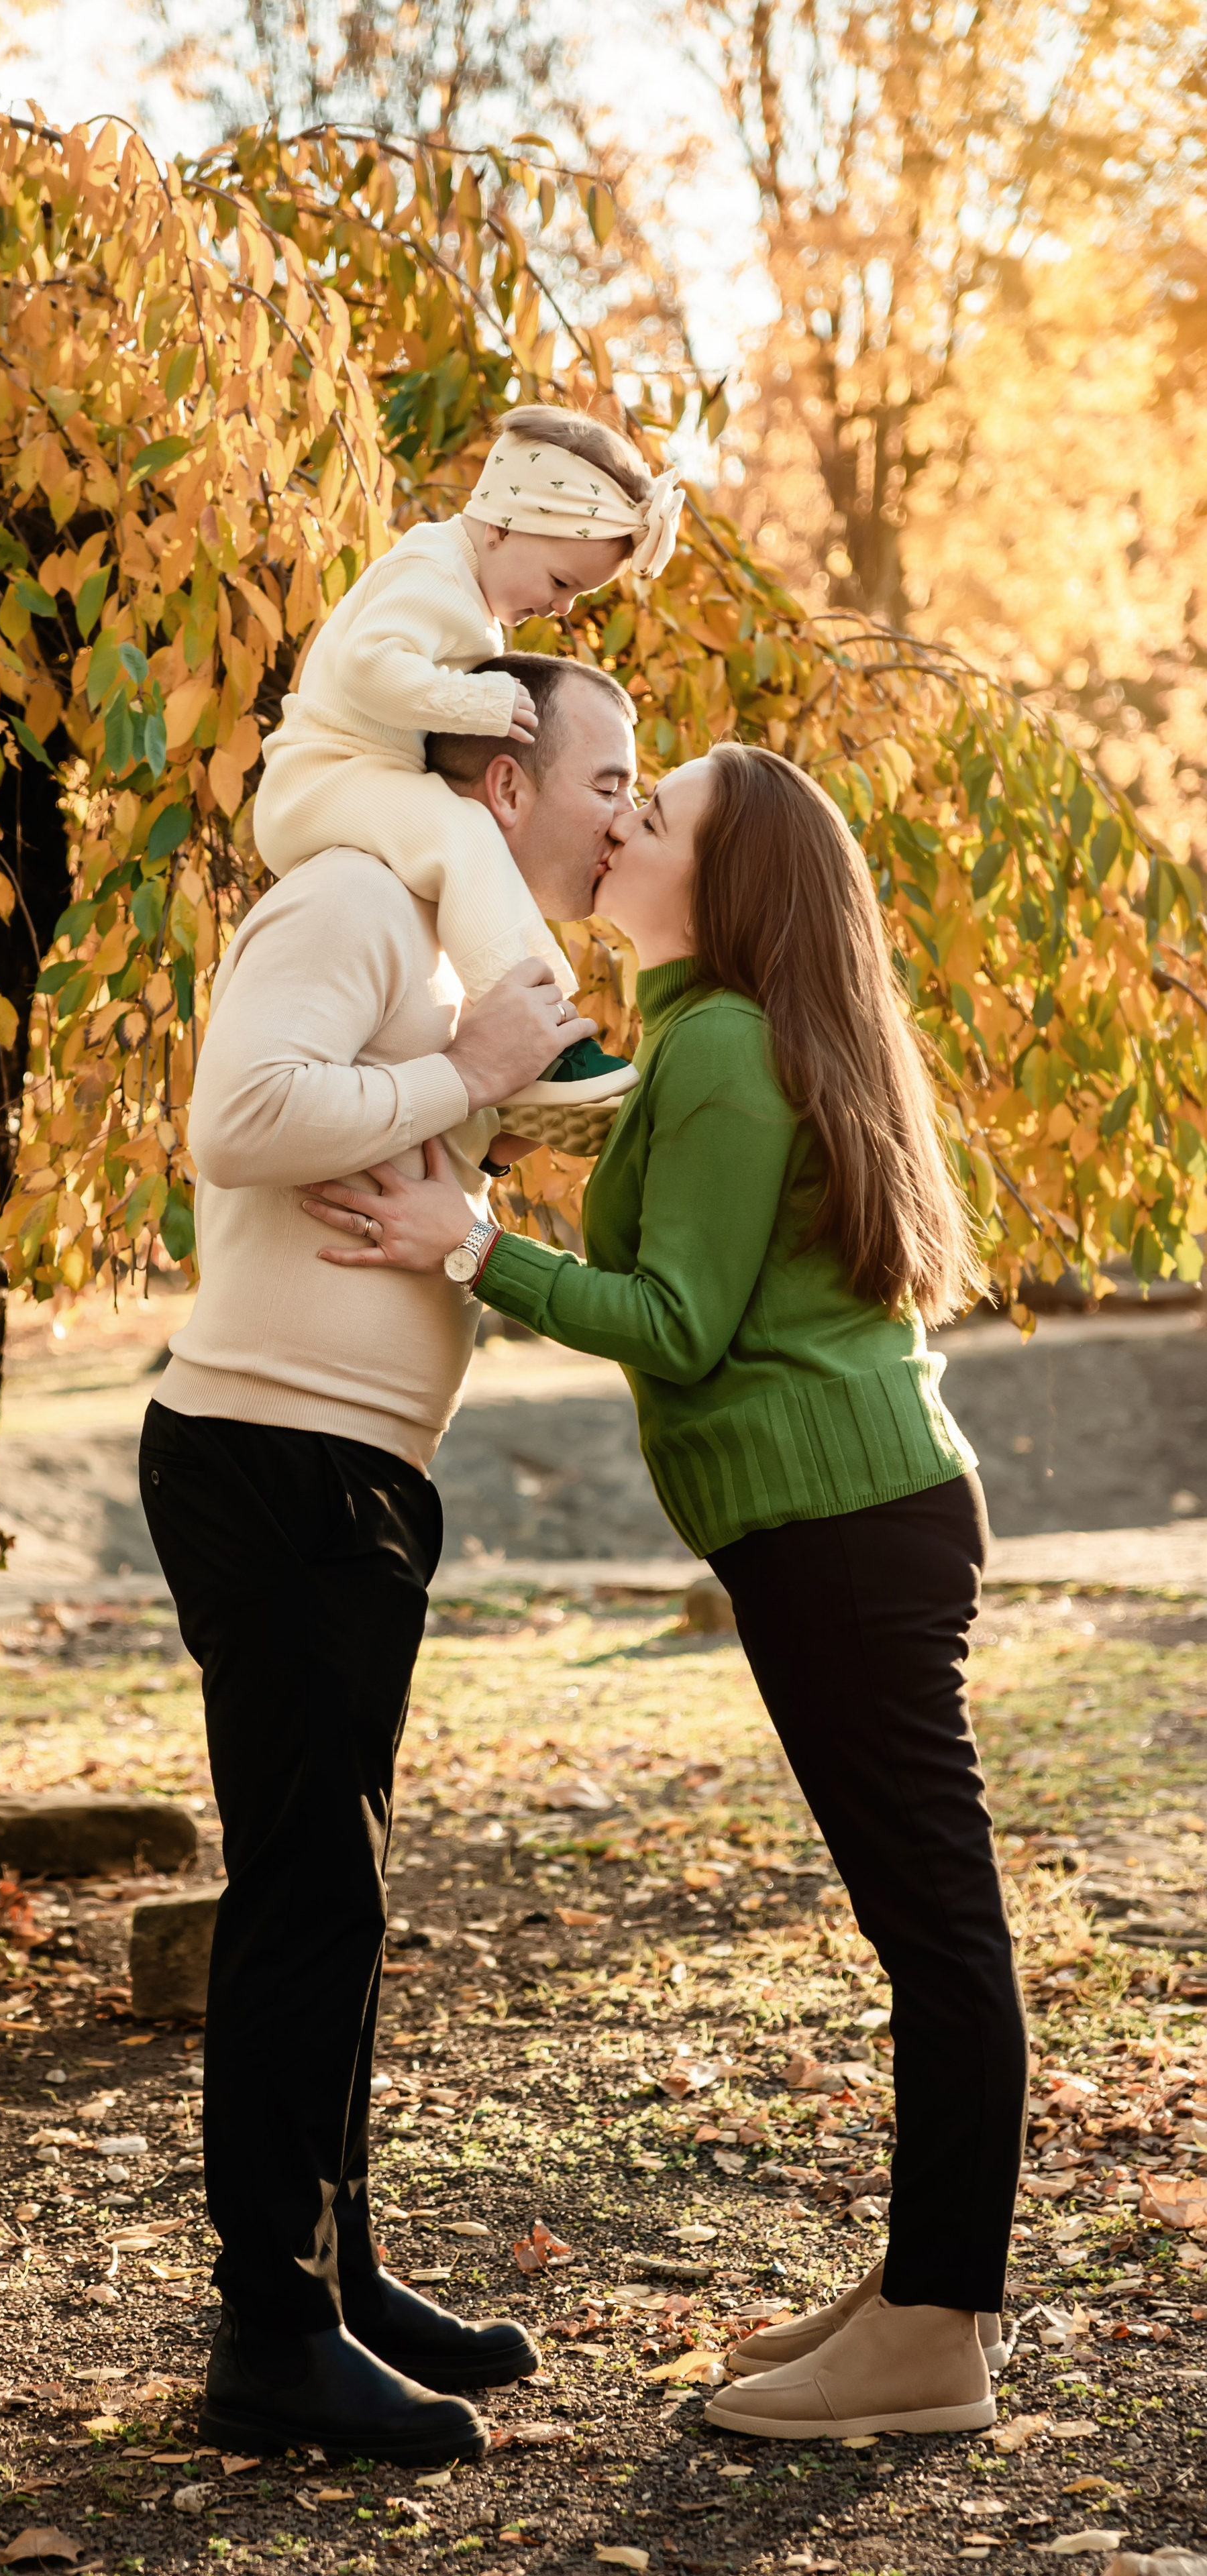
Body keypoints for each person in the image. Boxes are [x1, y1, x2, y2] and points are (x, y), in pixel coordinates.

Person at [302, 738, 1027, 2444]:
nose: (620, 822)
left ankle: (935, 2324)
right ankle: (923, 2281)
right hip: (854, 1516)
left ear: (728, 877)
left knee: (934, 1929)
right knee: (924, 1921)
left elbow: (676, 1322)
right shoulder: (725, 1039)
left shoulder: (719, 1049)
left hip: (839, 1528)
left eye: (658, 812)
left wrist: (469, 1247)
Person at [139, 653, 642, 2465]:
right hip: (272, 1461)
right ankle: (268, 2336)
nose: (619, 813)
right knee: (299, 1898)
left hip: (346, 1475)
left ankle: (339, 2273)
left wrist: (479, 1141)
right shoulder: (349, 897)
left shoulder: (436, 947)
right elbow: (240, 1119)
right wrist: (469, 1064)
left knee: (340, 1898)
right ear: (502, 776)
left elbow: (407, 1184)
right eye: (607, 777)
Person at [252, 409, 682, 1141]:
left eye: (577, 595)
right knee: (461, 834)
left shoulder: (468, 598)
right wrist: (475, 699)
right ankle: (545, 1041)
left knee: (468, 853)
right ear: (503, 524)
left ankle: (518, 1066)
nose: (560, 606)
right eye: (560, 580)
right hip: (322, 778)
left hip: (360, 778)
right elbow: (366, 664)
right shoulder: (432, 572)